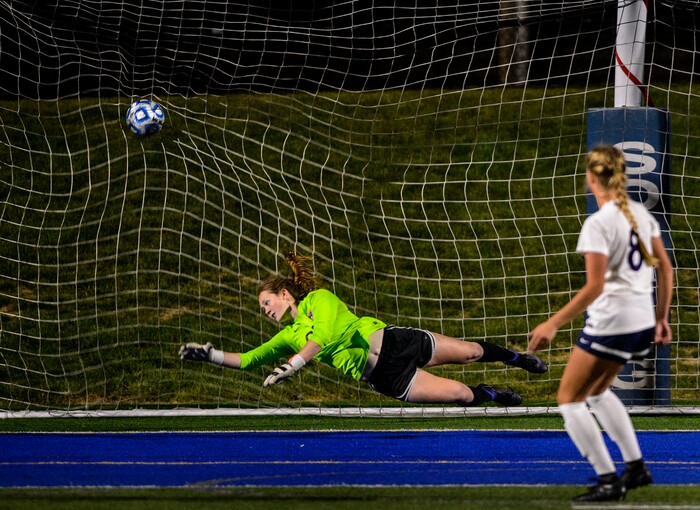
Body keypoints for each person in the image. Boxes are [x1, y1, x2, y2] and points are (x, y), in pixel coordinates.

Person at [180, 252, 548, 408]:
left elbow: (321, 336)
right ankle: (492, 394)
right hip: (386, 376)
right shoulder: (288, 337)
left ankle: (518, 358)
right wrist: (209, 355)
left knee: (471, 351)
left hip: (396, 342)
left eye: (265, 302)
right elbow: (248, 360)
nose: (265, 311)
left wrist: (293, 365)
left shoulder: (320, 299)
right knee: (462, 397)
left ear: (285, 294)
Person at [527, 145, 673, 502]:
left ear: (592, 178)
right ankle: (636, 468)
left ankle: (609, 480)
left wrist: (553, 323)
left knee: (569, 399)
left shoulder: (598, 223)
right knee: (596, 391)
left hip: (612, 321)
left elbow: (595, 286)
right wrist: (661, 319)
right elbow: (667, 268)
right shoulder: (640, 212)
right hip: (639, 319)